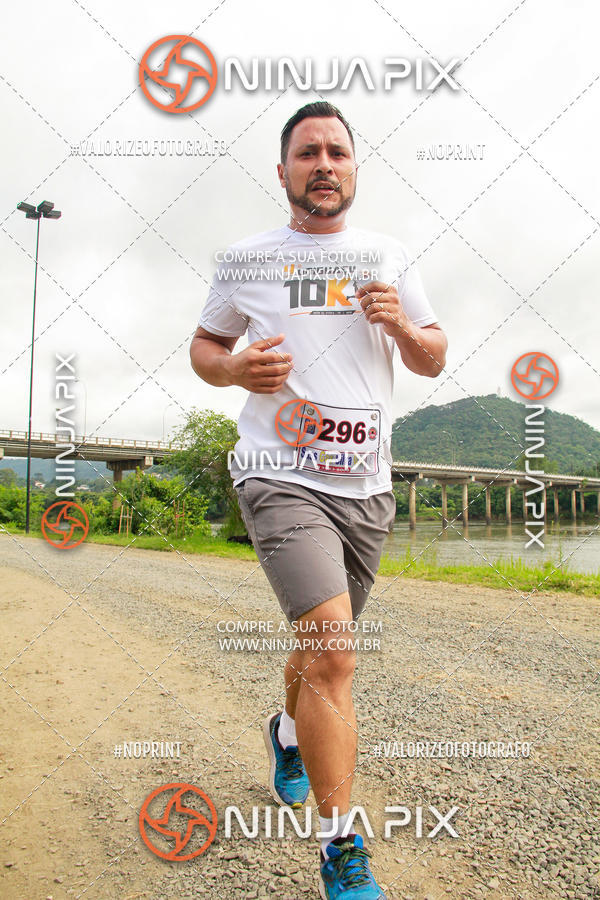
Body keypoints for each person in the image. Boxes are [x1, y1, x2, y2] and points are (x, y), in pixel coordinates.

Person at [190, 101, 447, 900]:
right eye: (308, 153)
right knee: (335, 652)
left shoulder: (388, 254)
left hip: (365, 488)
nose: (324, 164)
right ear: (284, 172)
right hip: (277, 473)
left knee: (315, 652)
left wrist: (401, 326)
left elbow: (434, 356)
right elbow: (205, 347)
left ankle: (287, 732)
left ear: (354, 170)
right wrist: (233, 372)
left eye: (337, 151)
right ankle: (343, 850)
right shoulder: (246, 260)